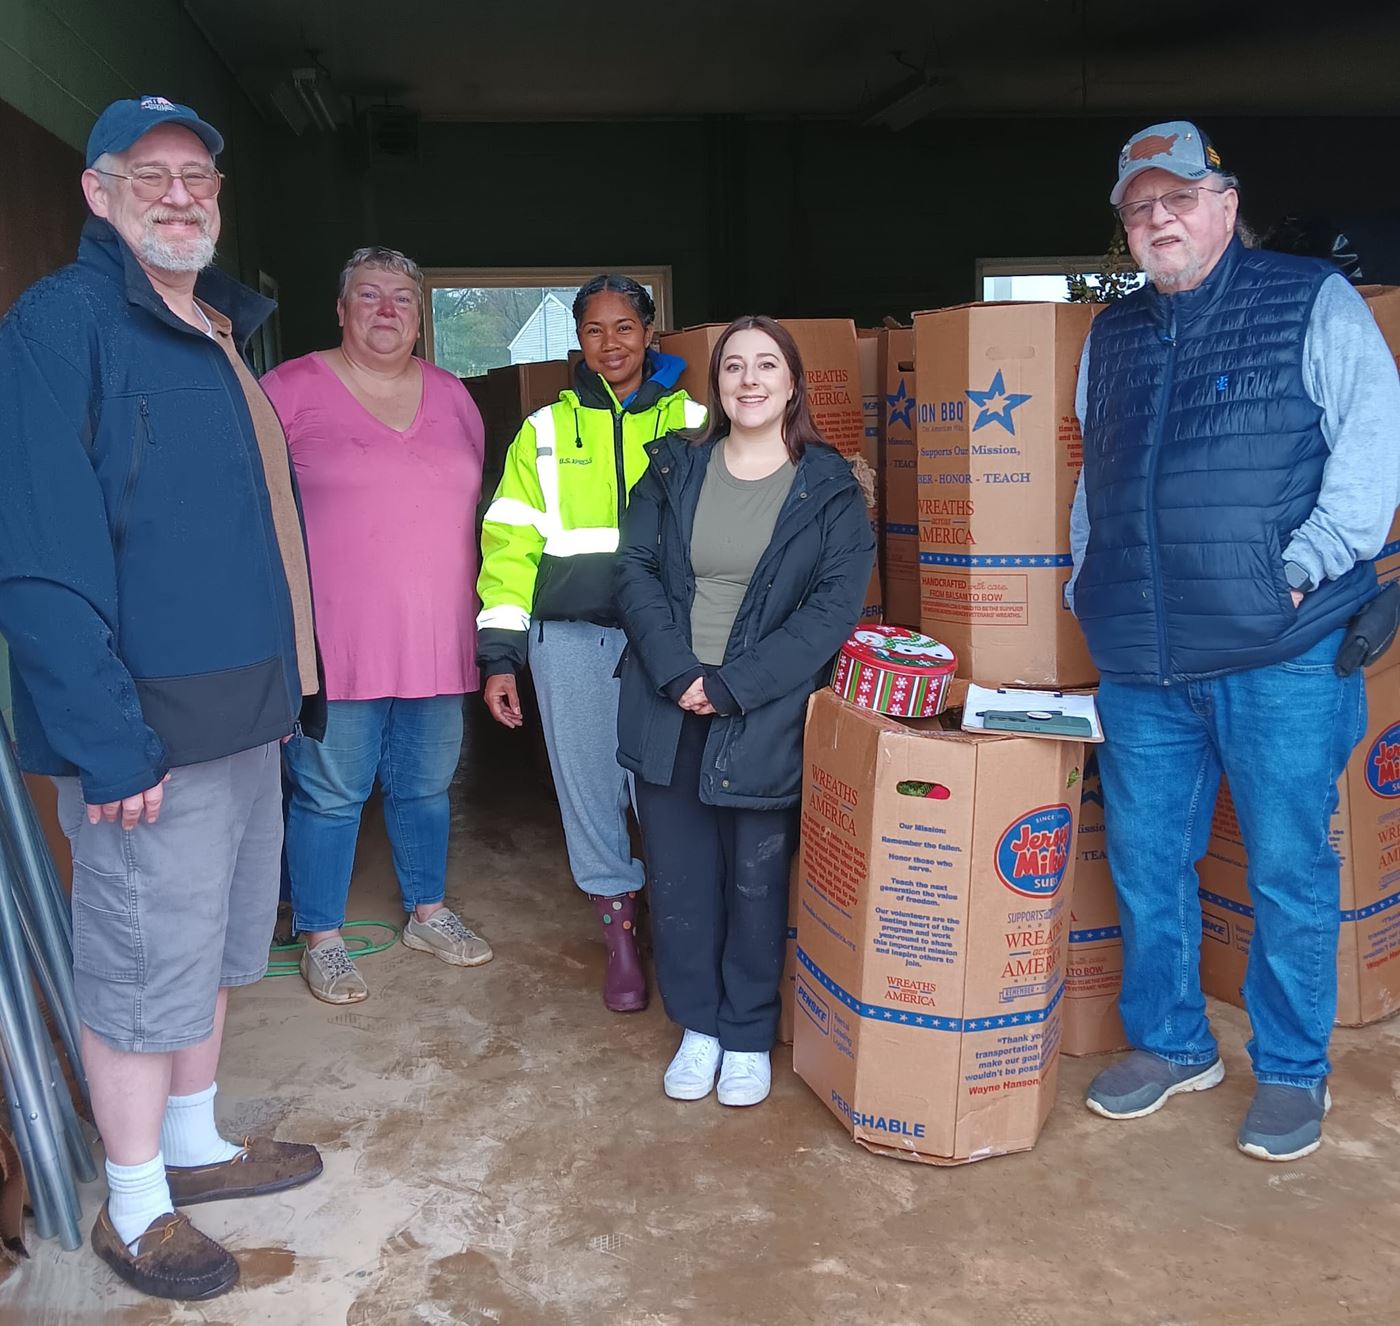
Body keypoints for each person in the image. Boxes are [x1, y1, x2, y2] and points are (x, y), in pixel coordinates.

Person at [0, 96, 326, 1299]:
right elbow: (36, 553)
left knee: (219, 952)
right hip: (147, 739)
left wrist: (297, 692)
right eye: (150, 174)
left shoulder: (219, 327)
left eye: (199, 175)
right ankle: (135, 1209)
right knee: (140, 975)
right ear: (98, 193)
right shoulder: (64, 324)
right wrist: (108, 744)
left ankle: (193, 1148)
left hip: (247, 718)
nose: (180, 193)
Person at [1067, 121, 1400, 1161]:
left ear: (1223, 202)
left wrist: (1299, 566)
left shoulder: (1306, 298)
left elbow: (1370, 443)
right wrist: (1092, 584)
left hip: (1278, 651)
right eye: (1137, 207)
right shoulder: (1111, 337)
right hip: (1142, 662)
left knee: (1287, 867)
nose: (1156, 218)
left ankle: (1291, 1071)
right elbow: (1095, 483)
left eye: (1176, 198)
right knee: (1144, 861)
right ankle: (1171, 1044)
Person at [615, 317, 874, 1106]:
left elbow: (831, 611)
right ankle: (698, 1028)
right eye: (734, 366)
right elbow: (634, 568)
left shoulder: (829, 486)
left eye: (767, 365)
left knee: (756, 883)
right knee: (682, 879)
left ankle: (748, 1032)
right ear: (716, 383)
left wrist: (732, 686)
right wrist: (678, 673)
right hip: (670, 707)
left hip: (763, 714)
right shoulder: (674, 467)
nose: (750, 380)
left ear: (793, 382)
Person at [263, 248, 492, 1004]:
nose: (386, 310)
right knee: (328, 794)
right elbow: (247, 511)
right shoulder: (289, 390)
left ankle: (428, 910)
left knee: (425, 789)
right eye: (369, 294)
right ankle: (321, 936)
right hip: (336, 642)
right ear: (340, 308)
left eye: (402, 298)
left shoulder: (455, 397)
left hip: (439, 638)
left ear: (421, 315)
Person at [477, 276, 705, 1012]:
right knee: (588, 789)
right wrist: (500, 656)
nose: (611, 343)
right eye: (595, 330)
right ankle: (618, 937)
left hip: (668, 643)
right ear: (579, 340)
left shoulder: (695, 421)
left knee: (666, 787)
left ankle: (676, 928)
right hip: (570, 639)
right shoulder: (546, 431)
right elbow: (508, 549)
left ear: (650, 332)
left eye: (625, 327)